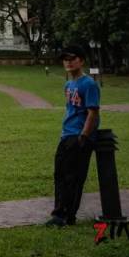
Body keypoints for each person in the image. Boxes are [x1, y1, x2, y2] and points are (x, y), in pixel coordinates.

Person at [46, 44, 100, 227]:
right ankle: (59, 213)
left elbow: (92, 113)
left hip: (79, 136)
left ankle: (66, 216)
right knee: (60, 175)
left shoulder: (89, 84)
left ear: (81, 61)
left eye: (72, 59)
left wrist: (83, 137)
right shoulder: (68, 84)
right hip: (67, 135)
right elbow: (71, 110)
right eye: (65, 59)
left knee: (73, 177)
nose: (68, 63)